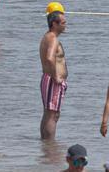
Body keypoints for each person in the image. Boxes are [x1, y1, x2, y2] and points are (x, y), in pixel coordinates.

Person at [41, 9, 68, 139]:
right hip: (52, 80)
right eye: (63, 23)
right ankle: (50, 145)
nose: (65, 25)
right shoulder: (52, 39)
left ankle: (46, 145)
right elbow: (49, 58)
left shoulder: (48, 36)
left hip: (48, 78)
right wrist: (56, 76)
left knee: (49, 113)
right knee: (53, 114)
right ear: (54, 24)